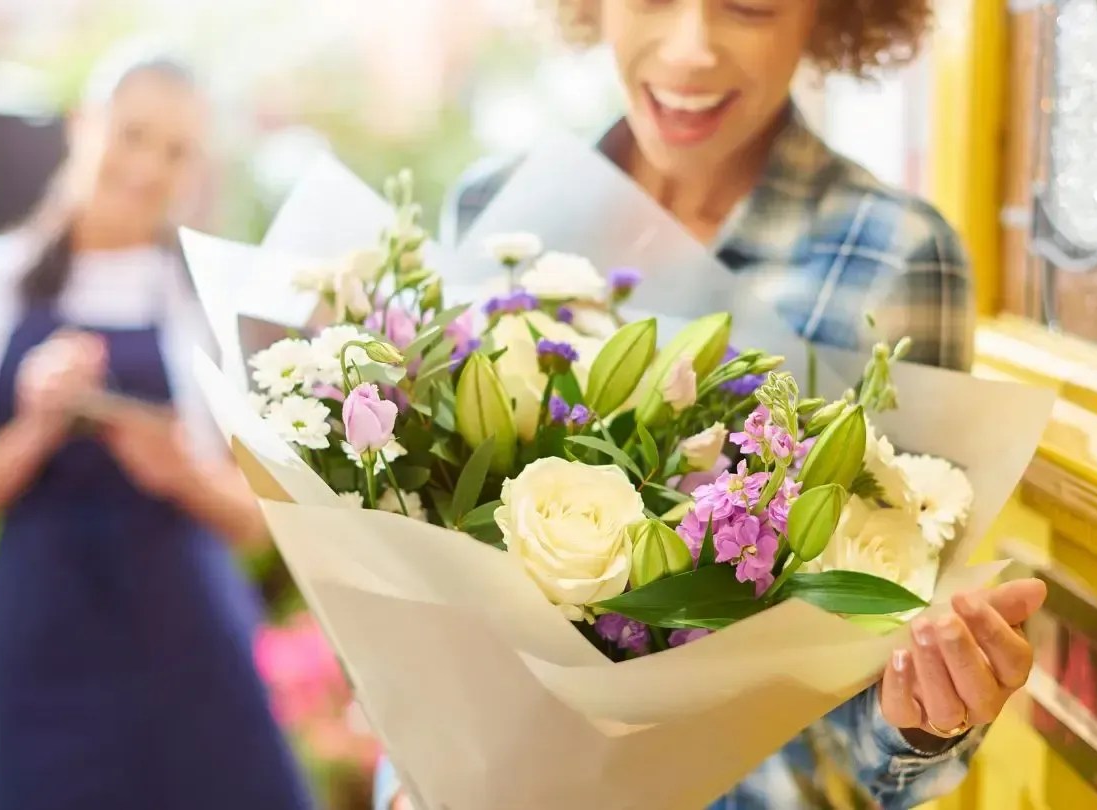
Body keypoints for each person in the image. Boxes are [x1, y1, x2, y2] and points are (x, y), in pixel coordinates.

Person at [375, 1, 1048, 808]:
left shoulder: (891, 256)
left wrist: (925, 713)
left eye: (750, 5)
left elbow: (864, 706)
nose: (692, 50)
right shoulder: (497, 209)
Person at [0, 46, 313, 810]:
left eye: (175, 151)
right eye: (132, 134)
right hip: (44, 652)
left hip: (190, 649)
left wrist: (181, 473)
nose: (148, 166)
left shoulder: (207, 302)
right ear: (83, 126)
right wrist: (33, 430)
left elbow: (261, 523)